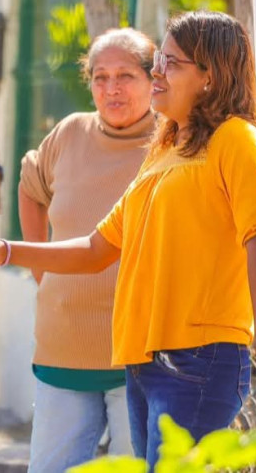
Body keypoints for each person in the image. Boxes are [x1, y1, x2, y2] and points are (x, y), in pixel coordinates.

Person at [0, 11, 256, 470]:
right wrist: (6, 251)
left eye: (171, 63)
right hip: (146, 360)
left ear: (209, 77)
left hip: (199, 359)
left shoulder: (236, 140)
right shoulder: (167, 147)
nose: (158, 73)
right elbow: (96, 248)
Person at [19, 28, 157, 472]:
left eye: (125, 76)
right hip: (64, 344)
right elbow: (30, 184)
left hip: (138, 352)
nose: (111, 88)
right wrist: (43, 268)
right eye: (100, 77)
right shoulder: (70, 133)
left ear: (153, 80)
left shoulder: (172, 142)